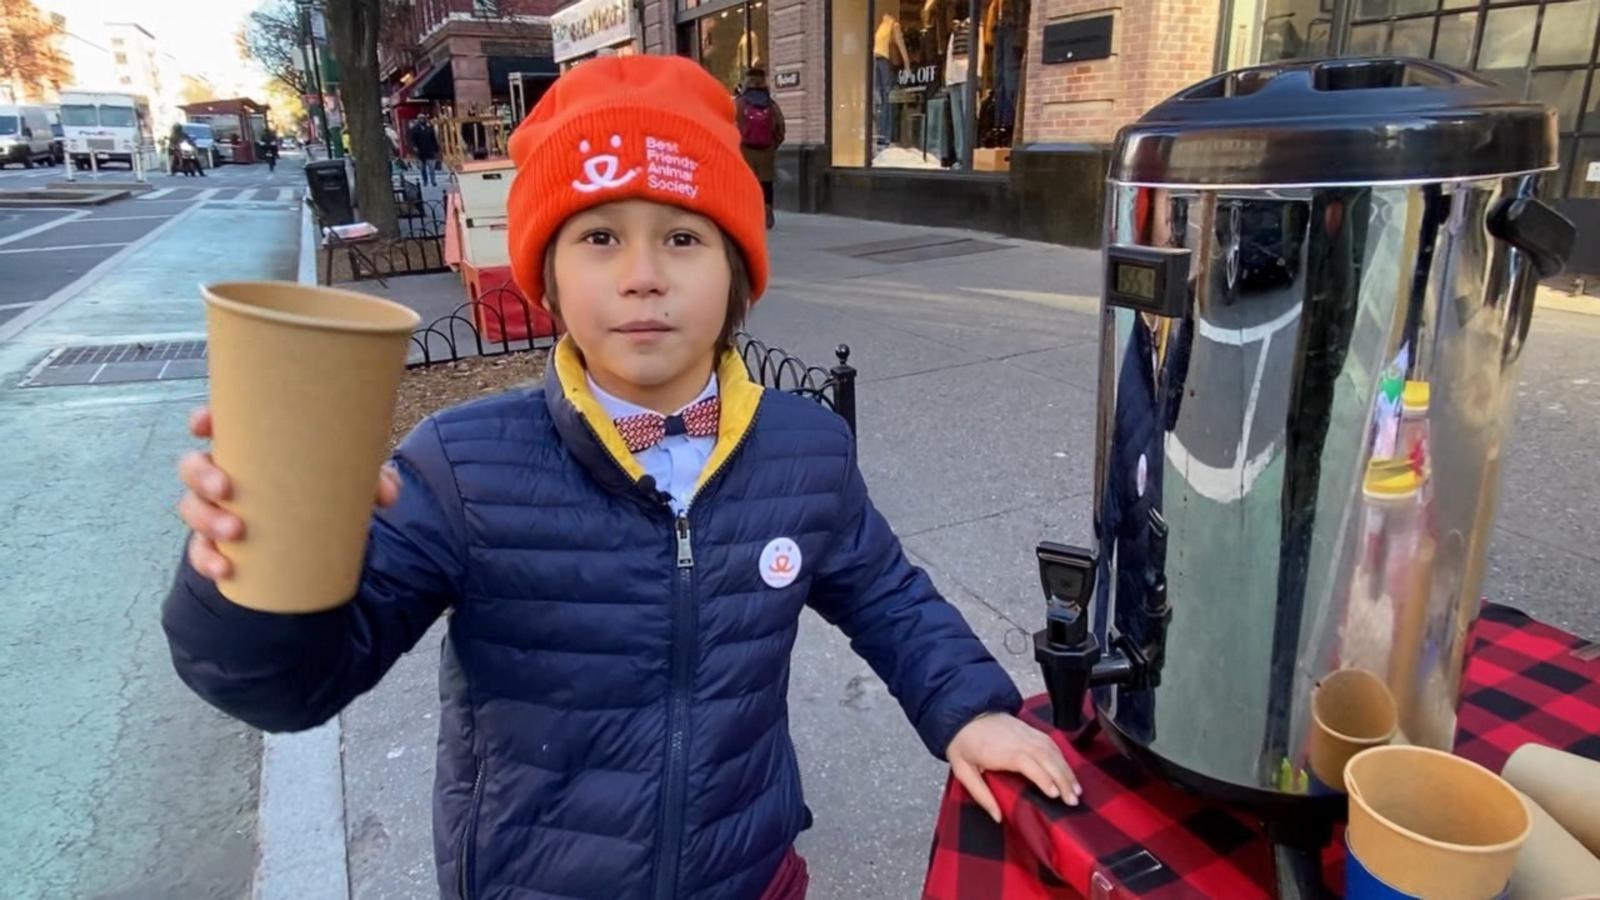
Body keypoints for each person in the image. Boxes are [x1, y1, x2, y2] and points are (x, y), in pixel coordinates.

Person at [162, 55, 1078, 900]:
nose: (643, 277)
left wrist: (968, 709)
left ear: (738, 275)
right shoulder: (464, 467)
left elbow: (885, 594)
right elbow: (289, 688)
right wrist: (249, 570)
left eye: (683, 239)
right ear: (548, 280)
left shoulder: (804, 446)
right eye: (599, 238)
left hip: (748, 872)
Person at [735, 68, 786, 230]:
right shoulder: (771, 104)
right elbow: (780, 128)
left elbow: (728, 126)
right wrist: (771, 145)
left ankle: (747, 215)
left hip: (744, 151)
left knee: (746, 184)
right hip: (766, 151)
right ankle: (767, 215)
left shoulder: (738, 103)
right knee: (766, 185)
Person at [409, 113, 440, 187]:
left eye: (423, 118)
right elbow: (412, 140)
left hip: (429, 151)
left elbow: (433, 139)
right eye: (420, 118)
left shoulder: (429, 128)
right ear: (418, 119)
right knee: (423, 169)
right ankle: (425, 181)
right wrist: (414, 147)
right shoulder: (415, 129)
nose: (422, 120)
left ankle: (433, 181)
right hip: (421, 152)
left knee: (431, 168)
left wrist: (436, 148)